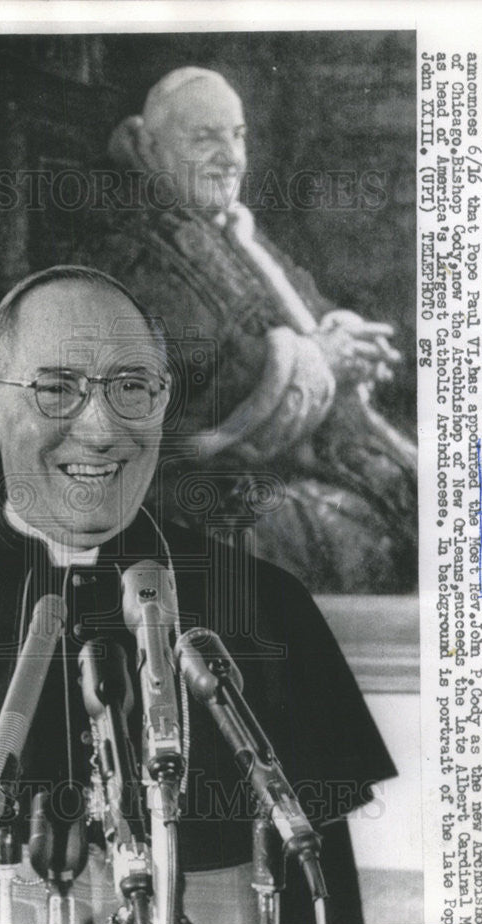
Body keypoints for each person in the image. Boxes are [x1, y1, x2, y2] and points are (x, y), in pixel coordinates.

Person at [0, 266, 395, 924]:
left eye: (131, 388)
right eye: (56, 389)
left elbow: (327, 923)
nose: (101, 429)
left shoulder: (272, 610)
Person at [74, 67, 418, 594]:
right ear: (153, 145)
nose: (230, 157)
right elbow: (189, 380)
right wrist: (321, 361)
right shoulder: (131, 244)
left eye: (237, 136)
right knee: (327, 528)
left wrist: (347, 339)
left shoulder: (229, 228)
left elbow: (306, 310)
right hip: (172, 483)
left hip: (280, 457)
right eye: (205, 138)